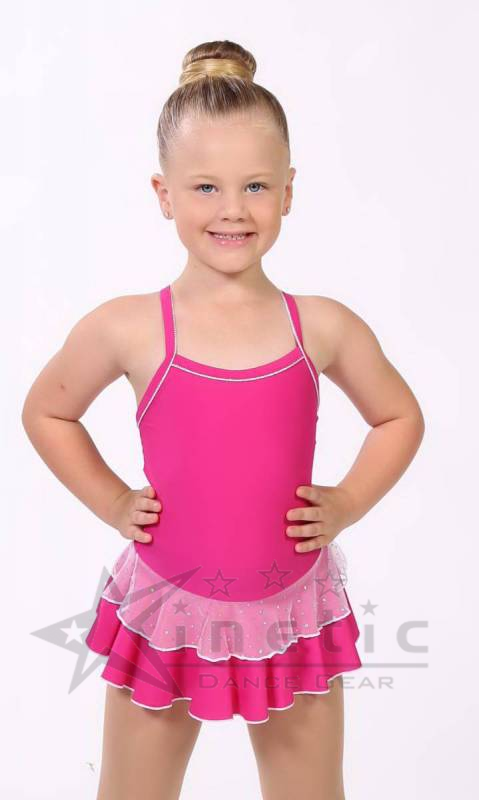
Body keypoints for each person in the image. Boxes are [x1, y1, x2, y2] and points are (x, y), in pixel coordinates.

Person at [22, 38, 425, 800]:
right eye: (205, 186)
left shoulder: (321, 325)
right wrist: (112, 500)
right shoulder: (129, 326)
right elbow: (47, 409)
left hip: (291, 610)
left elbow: (398, 415)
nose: (233, 209)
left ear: (288, 191)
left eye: (255, 186)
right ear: (163, 193)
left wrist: (346, 502)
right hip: (165, 610)